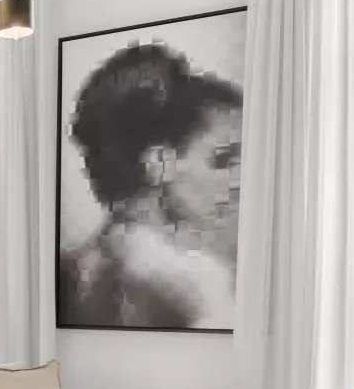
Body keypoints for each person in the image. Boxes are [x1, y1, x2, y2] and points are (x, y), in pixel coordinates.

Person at [61, 42, 242, 330]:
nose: (238, 182)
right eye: (222, 160)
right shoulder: (197, 282)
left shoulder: (79, 265)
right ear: (159, 162)